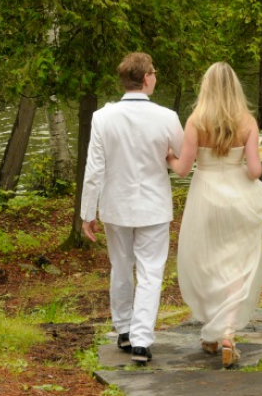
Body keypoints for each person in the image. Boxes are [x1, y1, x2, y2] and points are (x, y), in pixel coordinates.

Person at [80, 52, 184, 365]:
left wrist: (88, 213)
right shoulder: (167, 116)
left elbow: (94, 167)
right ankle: (141, 339)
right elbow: (182, 154)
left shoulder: (102, 117)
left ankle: (124, 329)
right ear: (146, 77)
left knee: (121, 266)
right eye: (153, 72)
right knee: (151, 271)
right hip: (152, 205)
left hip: (116, 205)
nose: (155, 77)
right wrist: (166, 153)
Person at [168, 61, 262, 368]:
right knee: (237, 266)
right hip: (239, 198)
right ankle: (225, 332)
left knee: (208, 262)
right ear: (236, 87)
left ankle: (213, 334)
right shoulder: (247, 121)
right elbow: (254, 171)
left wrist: (170, 157)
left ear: (206, 86)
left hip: (206, 196)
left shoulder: (196, 121)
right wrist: (261, 158)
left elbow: (183, 169)